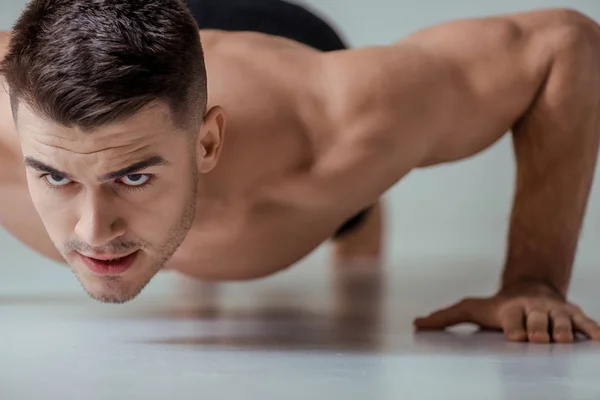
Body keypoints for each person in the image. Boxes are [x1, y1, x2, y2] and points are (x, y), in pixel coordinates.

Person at [0, 0, 599, 344]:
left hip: (287, 62)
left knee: (349, 214)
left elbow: (564, 45)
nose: (94, 230)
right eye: (56, 177)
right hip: (132, 39)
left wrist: (534, 281)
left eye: (133, 176)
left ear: (207, 144)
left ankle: (359, 224)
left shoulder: (342, 125)